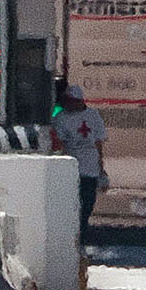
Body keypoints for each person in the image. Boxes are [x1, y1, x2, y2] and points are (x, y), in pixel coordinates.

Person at [51, 85, 107, 230]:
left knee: (88, 202)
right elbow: (60, 144)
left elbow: (98, 142)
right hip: (72, 168)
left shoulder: (93, 116)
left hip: (90, 167)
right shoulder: (61, 119)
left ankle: (83, 228)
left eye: (71, 101)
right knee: (72, 204)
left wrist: (101, 169)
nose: (68, 104)